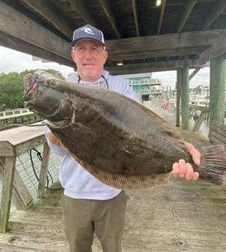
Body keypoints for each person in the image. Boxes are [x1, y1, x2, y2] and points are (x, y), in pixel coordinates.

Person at [46, 24, 201, 252]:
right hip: (75, 193)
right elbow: (58, 151)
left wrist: (180, 148)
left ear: (105, 55)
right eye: (81, 48)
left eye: (95, 49)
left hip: (112, 195)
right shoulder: (61, 90)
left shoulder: (121, 87)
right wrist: (59, 132)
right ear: (73, 55)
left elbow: (144, 129)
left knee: (113, 248)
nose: (88, 55)